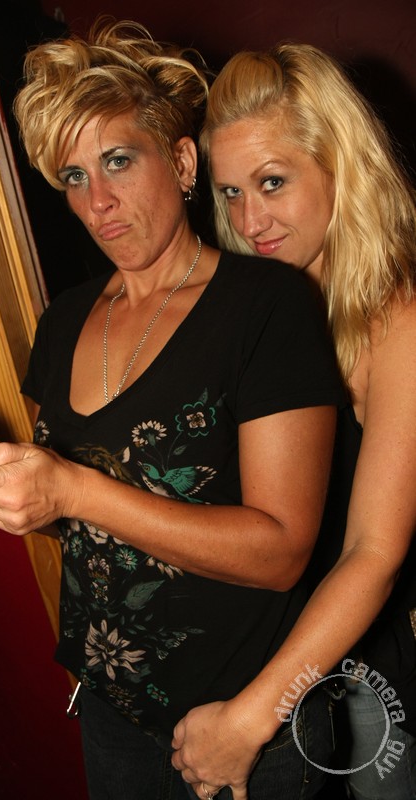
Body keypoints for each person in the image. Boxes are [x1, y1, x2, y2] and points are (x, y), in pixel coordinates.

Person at [0, 21, 345, 800]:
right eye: (72, 176)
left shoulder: (264, 306)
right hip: (111, 713)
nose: (97, 201)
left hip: (244, 724)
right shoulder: (63, 320)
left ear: (183, 161)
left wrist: (69, 488)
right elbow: (82, 520)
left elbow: (280, 553)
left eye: (119, 161)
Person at [171, 43, 416, 800]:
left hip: (380, 656)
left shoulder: (399, 319)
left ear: (341, 165)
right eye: (230, 192)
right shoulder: (264, 311)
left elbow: (373, 552)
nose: (249, 221)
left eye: (272, 182)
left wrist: (249, 720)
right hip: (295, 647)